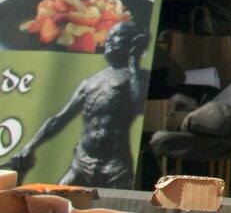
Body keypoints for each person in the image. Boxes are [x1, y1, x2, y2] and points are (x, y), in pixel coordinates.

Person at [8, 21, 150, 188]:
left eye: (118, 36)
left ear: (133, 42)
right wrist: (30, 146)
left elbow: (139, 104)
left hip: (114, 166)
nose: (110, 41)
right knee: (54, 202)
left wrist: (133, 59)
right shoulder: (90, 82)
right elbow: (59, 118)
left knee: (114, 208)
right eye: (109, 37)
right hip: (82, 161)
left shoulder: (138, 77)